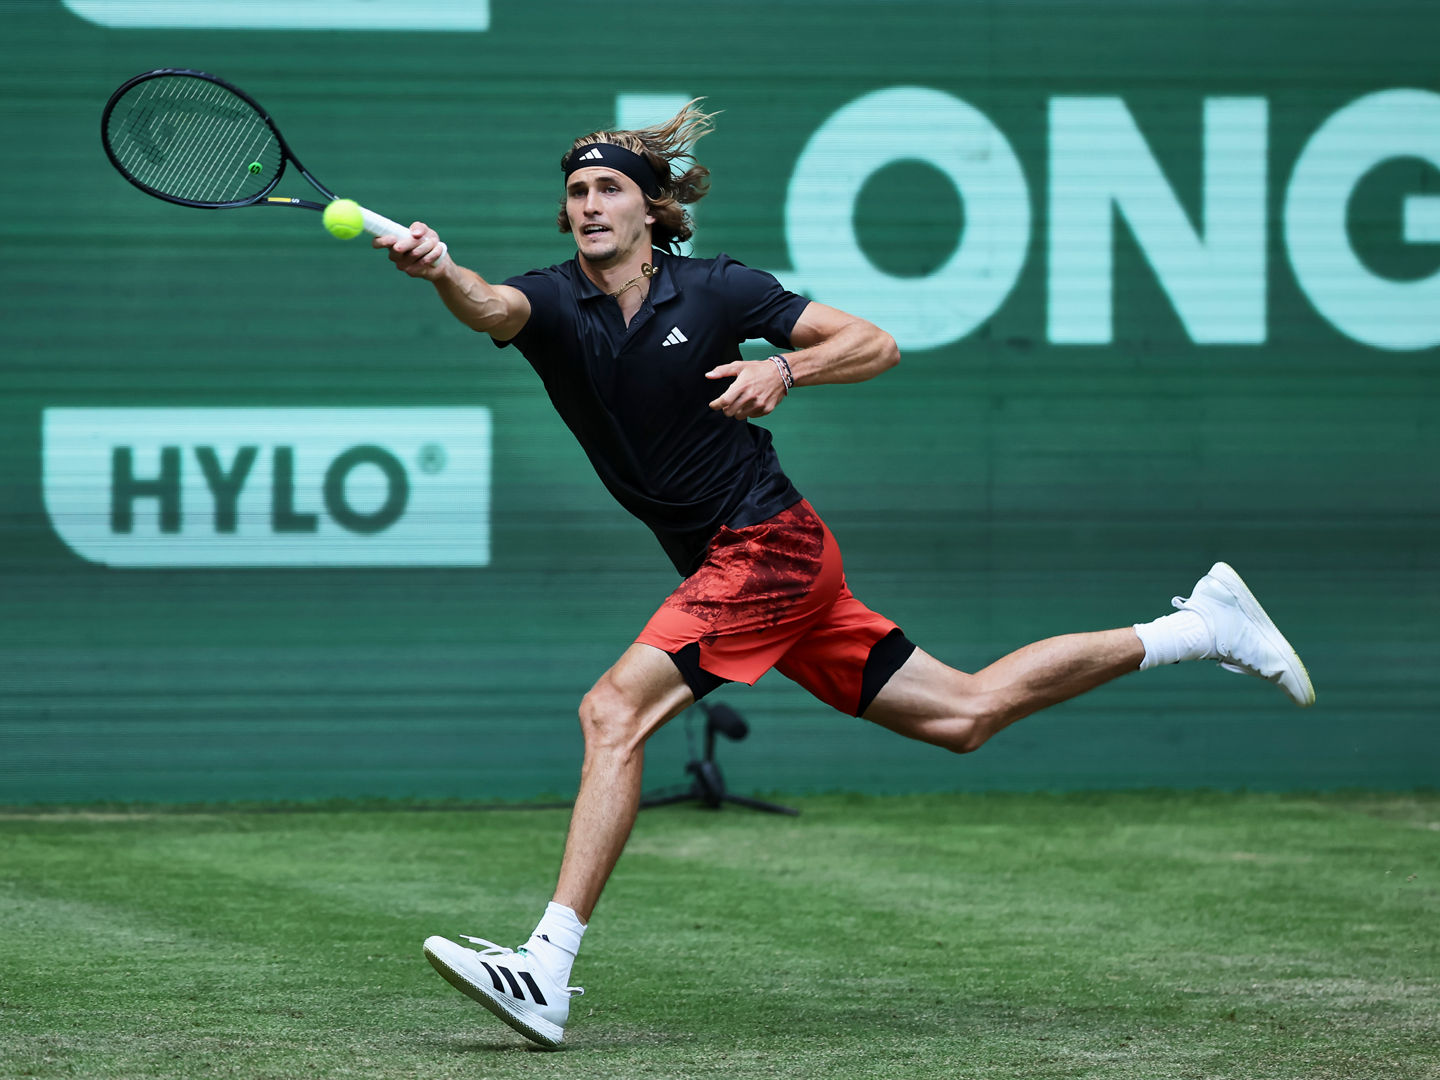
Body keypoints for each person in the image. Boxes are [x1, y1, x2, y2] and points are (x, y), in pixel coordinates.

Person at [375, 101, 1315, 1049]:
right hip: (746, 565)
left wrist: (783, 371)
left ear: (654, 208)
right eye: (576, 192)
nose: (588, 205)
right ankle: (1204, 628)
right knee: (965, 714)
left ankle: (547, 966)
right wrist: (440, 268)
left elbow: (875, 342)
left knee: (612, 712)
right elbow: (490, 305)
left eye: (609, 188)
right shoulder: (552, 303)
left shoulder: (716, 290)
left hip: (768, 545)